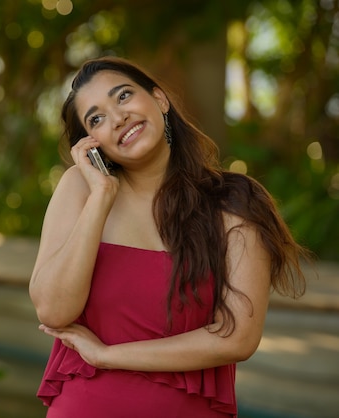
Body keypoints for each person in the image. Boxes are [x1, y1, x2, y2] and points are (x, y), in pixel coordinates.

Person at [28, 56, 309, 417]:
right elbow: (53, 310)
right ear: (91, 142)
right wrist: (101, 198)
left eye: (124, 96)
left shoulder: (234, 201)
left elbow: (237, 336)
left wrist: (108, 356)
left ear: (160, 100)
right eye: (96, 118)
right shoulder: (79, 189)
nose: (117, 118)